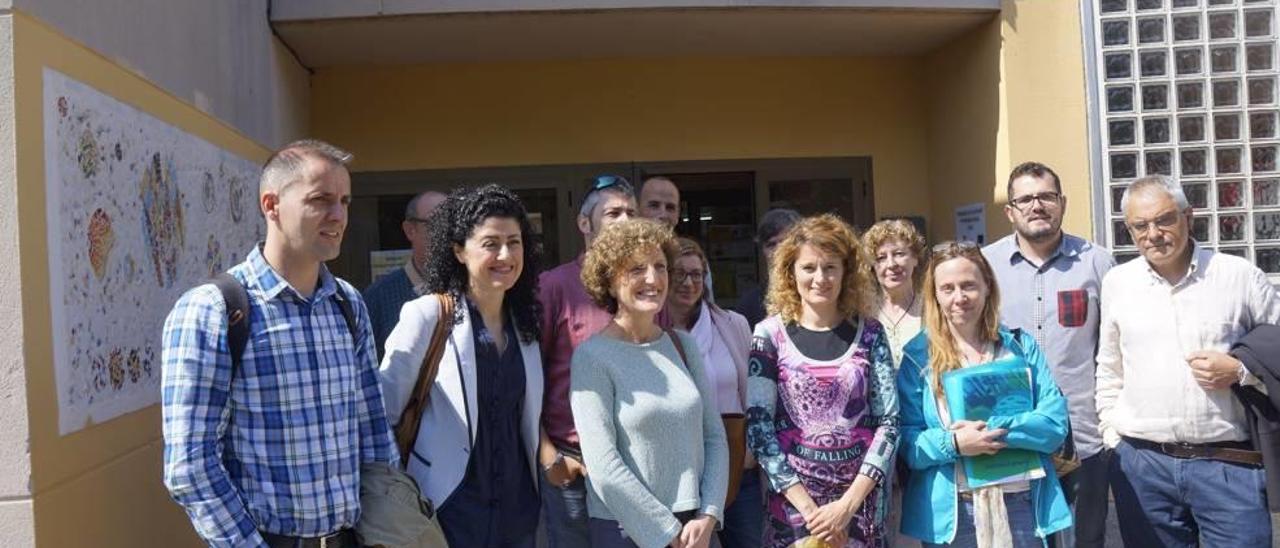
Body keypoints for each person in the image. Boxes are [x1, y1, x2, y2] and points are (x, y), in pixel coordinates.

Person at [162, 140, 395, 547]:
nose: (338, 215)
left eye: (344, 201)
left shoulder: (346, 303)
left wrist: (389, 526)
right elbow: (191, 466)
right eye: (320, 200)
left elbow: (372, 430)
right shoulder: (214, 309)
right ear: (271, 205)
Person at [1097, 175, 1280, 547]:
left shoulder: (1238, 276)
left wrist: (1241, 371)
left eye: (1164, 220)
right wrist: (1112, 437)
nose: (1153, 234)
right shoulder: (1118, 283)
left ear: (1188, 216)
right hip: (1143, 464)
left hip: (1230, 465)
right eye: (1140, 226)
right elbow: (1110, 367)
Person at [378, 184, 545, 547]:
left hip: (518, 512)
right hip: (447, 509)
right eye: (491, 243)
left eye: (514, 242)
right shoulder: (427, 315)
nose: (506, 254)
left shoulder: (527, 323)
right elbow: (383, 414)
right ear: (458, 250)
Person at [897, 241, 1071, 548]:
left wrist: (994, 433)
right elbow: (907, 442)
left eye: (969, 286)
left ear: (987, 287)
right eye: (947, 288)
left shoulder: (1019, 347)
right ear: (934, 295)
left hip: (1021, 505)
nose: (959, 298)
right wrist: (954, 444)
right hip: (954, 512)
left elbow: (1054, 424)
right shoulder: (917, 357)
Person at [572, 219, 729, 548]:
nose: (653, 279)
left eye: (660, 266)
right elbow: (602, 463)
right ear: (610, 281)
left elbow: (714, 436)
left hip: (697, 529)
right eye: (636, 269)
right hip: (628, 529)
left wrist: (709, 515)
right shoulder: (592, 357)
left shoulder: (683, 346)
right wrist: (664, 530)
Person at [981, 162, 1115, 548]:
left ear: (1062, 203)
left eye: (1045, 196)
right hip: (1011, 436)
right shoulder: (985, 267)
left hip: (1084, 434)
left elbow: (1114, 348)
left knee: (1084, 539)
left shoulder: (1097, 262)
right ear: (1010, 212)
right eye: (1024, 199)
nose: (1036, 205)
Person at [746, 213, 899, 548]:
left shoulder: (871, 333)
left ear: (847, 272)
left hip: (861, 509)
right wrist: (810, 510)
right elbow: (759, 428)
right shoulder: (768, 335)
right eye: (809, 267)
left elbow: (889, 422)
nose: (821, 277)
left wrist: (847, 505)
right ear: (791, 272)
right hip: (793, 514)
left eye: (831, 267)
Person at [538, 175, 638, 547]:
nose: (625, 221)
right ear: (584, 224)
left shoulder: (644, 286)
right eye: (613, 213)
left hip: (636, 463)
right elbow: (530, 378)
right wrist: (548, 455)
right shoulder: (555, 286)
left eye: (631, 212)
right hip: (574, 467)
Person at [667, 237, 760, 548]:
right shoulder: (649, 333)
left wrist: (751, 453)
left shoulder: (734, 324)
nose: (688, 282)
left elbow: (753, 393)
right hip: (679, 470)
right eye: (678, 273)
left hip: (736, 463)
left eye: (696, 273)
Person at [863, 218, 927, 548]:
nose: (892, 264)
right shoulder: (863, 313)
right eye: (882, 257)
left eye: (900, 254)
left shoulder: (935, 308)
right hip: (878, 431)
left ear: (916, 258)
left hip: (923, 428)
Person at [364, 190, 446, 359]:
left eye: (453, 223)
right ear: (410, 230)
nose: (447, 232)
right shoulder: (378, 296)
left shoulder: (472, 291)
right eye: (436, 223)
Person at [736, 209, 802, 328]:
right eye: (771, 245)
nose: (778, 250)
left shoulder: (817, 292)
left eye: (784, 242)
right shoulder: (749, 303)